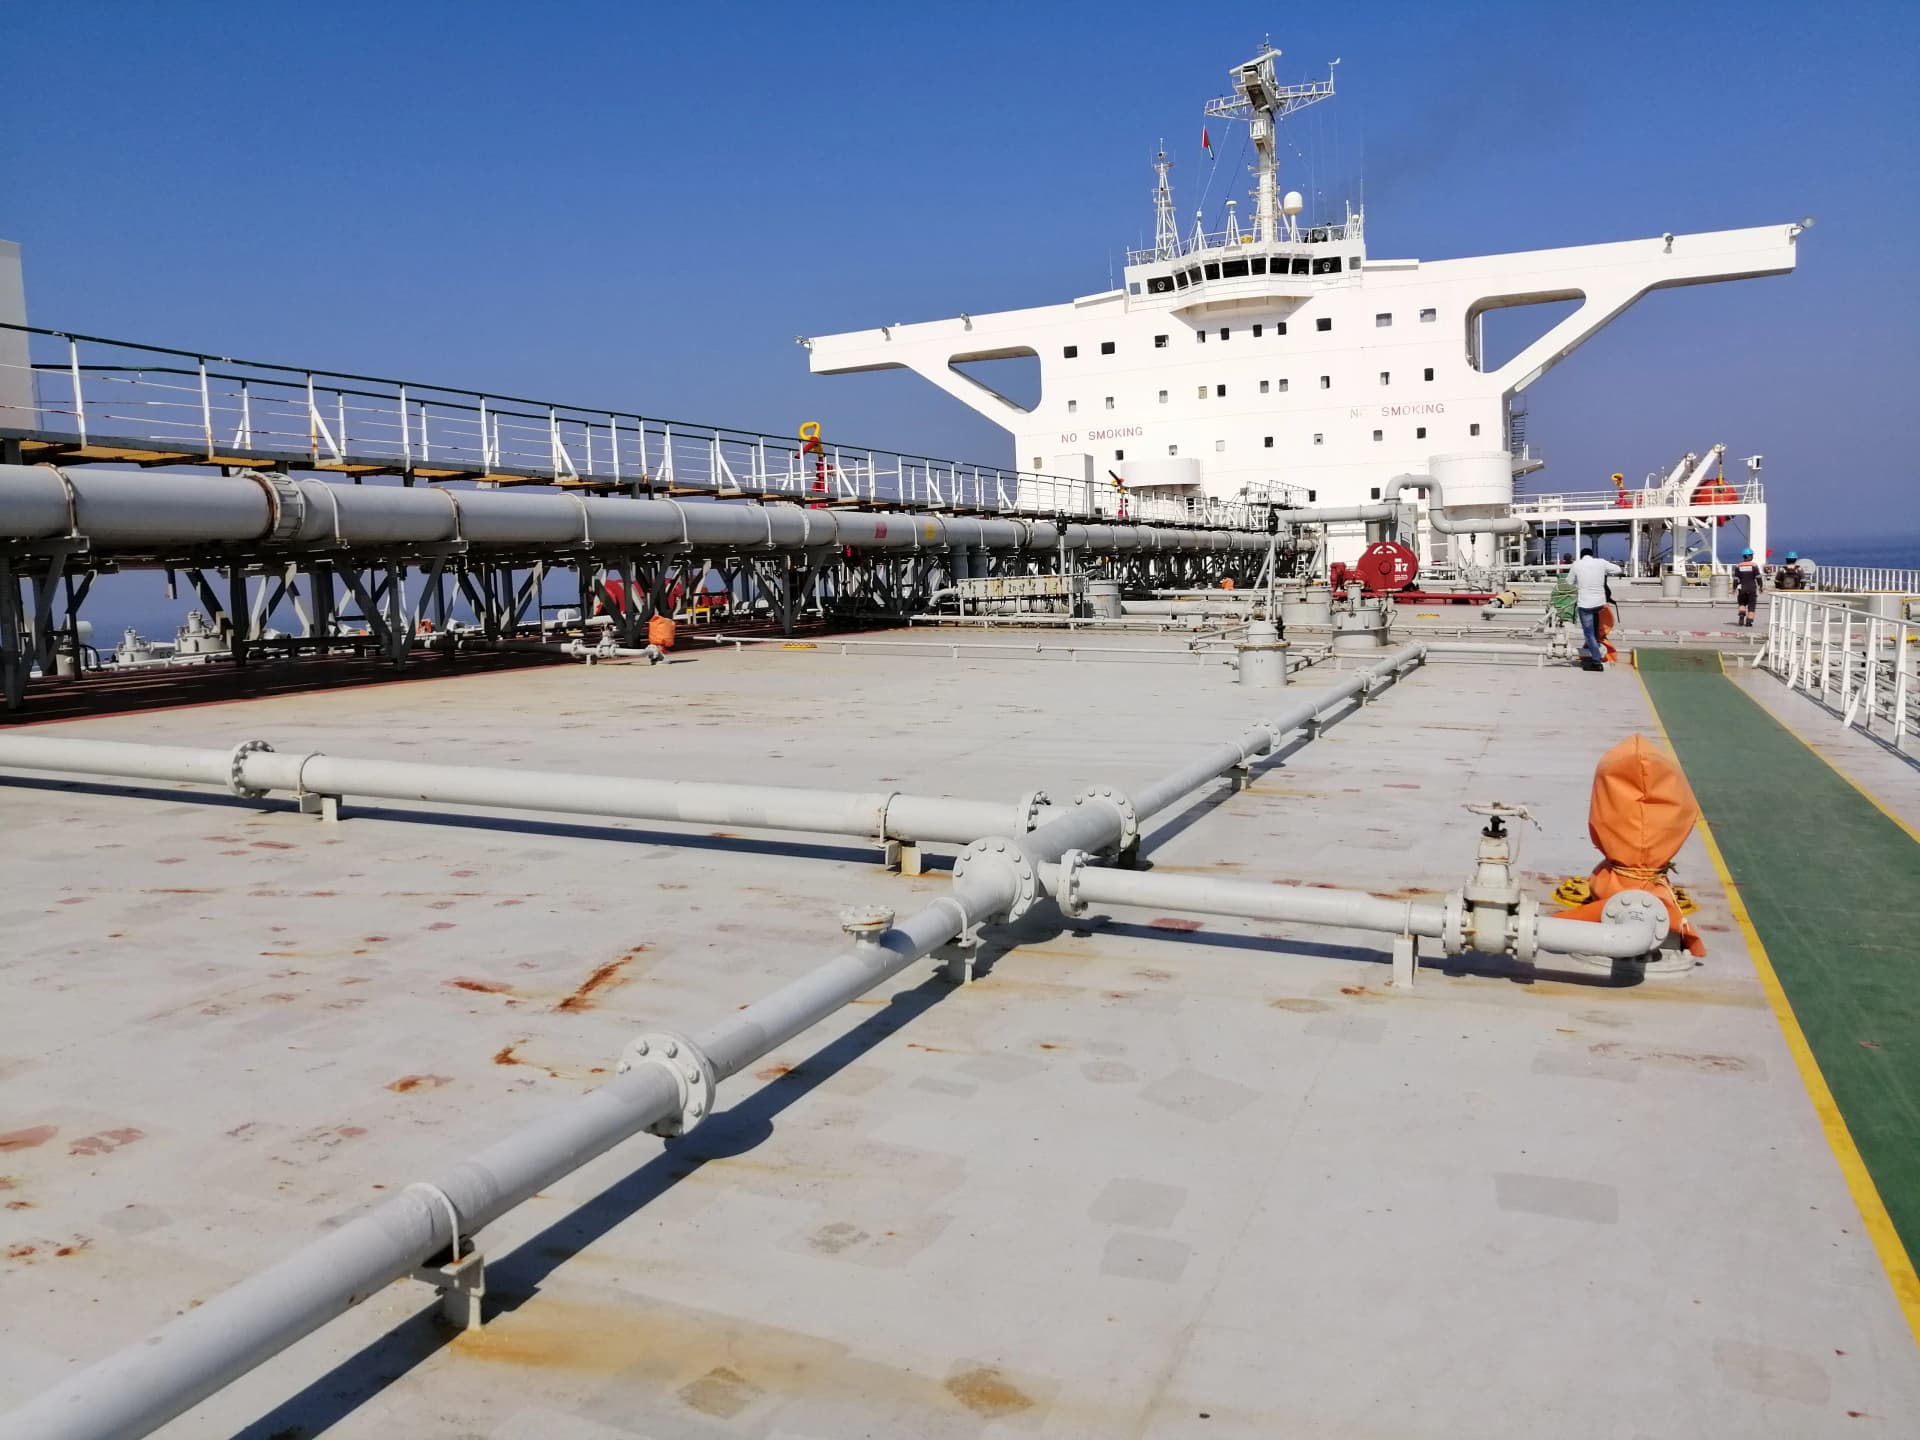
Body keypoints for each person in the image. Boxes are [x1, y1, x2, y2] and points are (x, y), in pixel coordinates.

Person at [1568, 547, 1622, 671]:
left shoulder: (1577, 564)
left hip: (1585, 604)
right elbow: (1618, 569)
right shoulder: (1601, 562)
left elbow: (1570, 582)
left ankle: (1596, 661)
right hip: (1599, 603)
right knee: (1595, 631)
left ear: (1581, 556)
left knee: (1589, 634)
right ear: (1592, 555)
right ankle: (1596, 650)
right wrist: (1604, 573)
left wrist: (1579, 581)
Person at [1731, 548, 1763, 625]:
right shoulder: (1754, 565)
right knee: (1751, 605)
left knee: (1742, 603)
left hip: (1742, 588)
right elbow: (1758, 577)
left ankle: (1742, 613)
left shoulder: (1738, 566)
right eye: (1752, 555)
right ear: (1750, 556)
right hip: (1752, 588)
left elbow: (1736, 579)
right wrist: (1760, 586)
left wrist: (1734, 588)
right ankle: (1749, 621)